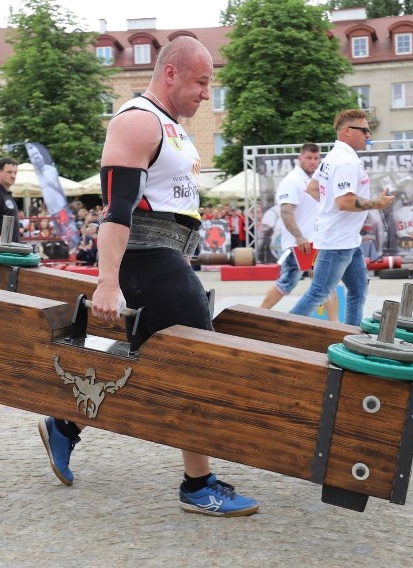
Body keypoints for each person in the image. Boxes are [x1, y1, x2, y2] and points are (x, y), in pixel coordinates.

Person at [37, 37, 258, 517]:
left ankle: (65, 424)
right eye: (201, 82)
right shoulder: (138, 121)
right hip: (146, 256)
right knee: (196, 361)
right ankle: (198, 485)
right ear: (172, 73)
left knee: (143, 360)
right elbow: (117, 211)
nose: (206, 93)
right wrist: (108, 282)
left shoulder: (171, 126)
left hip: (168, 256)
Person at [288, 109, 394, 326]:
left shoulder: (334, 156)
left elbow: (312, 187)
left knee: (358, 290)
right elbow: (344, 201)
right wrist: (377, 203)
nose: (368, 135)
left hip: (347, 239)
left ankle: (351, 336)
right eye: (365, 130)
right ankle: (277, 331)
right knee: (319, 292)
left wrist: (330, 208)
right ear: (347, 131)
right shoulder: (345, 161)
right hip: (337, 240)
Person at [259, 143, 338, 321]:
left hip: (316, 242)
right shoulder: (292, 180)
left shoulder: (316, 181)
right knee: (287, 282)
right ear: (300, 158)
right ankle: (259, 314)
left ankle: (336, 325)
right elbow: (286, 211)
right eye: (309, 158)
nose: (313, 162)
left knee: (327, 283)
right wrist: (299, 237)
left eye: (316, 158)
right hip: (298, 245)